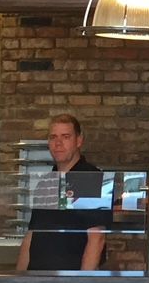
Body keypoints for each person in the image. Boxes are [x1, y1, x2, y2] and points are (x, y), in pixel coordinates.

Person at [16, 114, 108, 271]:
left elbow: (96, 238)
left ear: (79, 141)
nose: (58, 143)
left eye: (65, 137)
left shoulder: (89, 178)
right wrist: (17, 281)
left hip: (69, 282)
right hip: (37, 281)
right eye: (53, 137)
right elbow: (31, 236)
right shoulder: (45, 183)